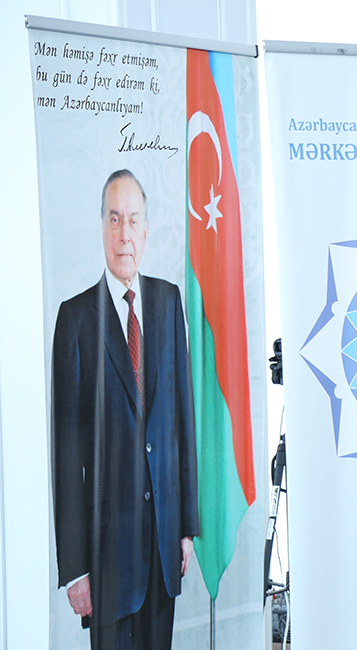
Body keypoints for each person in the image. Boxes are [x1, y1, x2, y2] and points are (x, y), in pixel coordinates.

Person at [51, 169, 199, 649]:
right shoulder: (75, 320)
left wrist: (186, 528)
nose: (124, 233)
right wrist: (75, 568)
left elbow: (182, 423)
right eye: (114, 219)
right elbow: (67, 457)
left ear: (146, 229)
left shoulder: (168, 302)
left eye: (133, 220)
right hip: (107, 562)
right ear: (101, 227)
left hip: (163, 548)